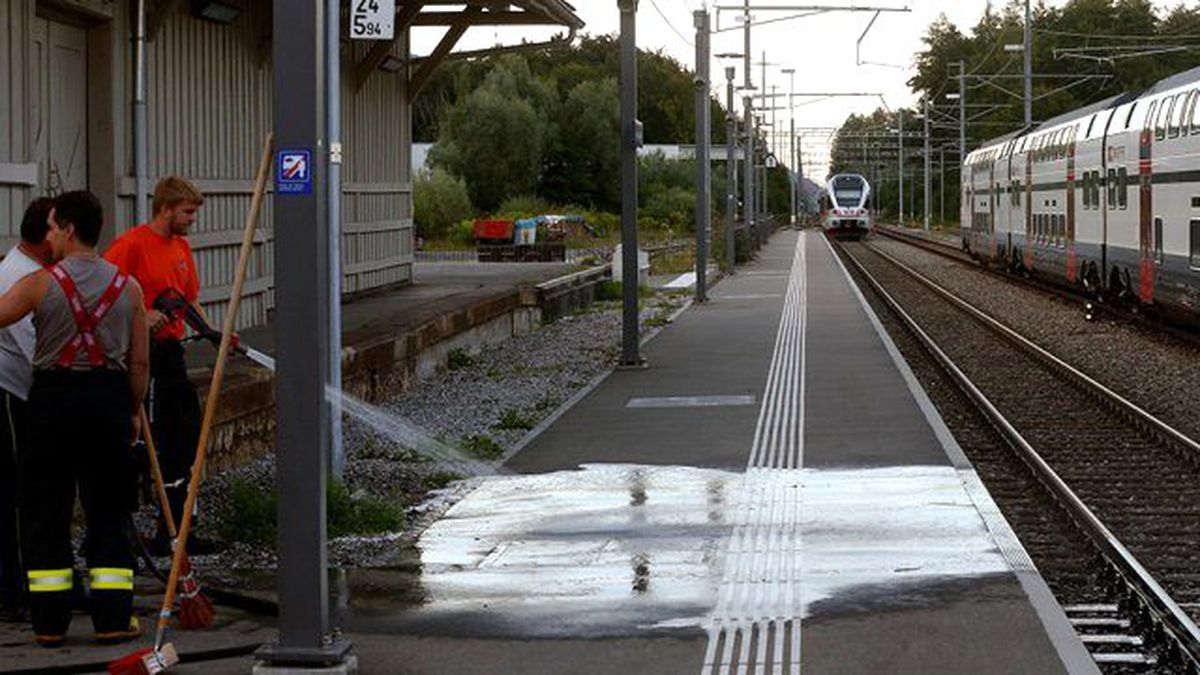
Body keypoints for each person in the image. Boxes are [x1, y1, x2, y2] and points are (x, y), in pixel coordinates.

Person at [0, 190, 148, 646]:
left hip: (52, 401)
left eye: (52, 228)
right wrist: (135, 408)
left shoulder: (41, 284)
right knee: (109, 509)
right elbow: (140, 362)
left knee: (47, 509)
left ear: (65, 227)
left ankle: (49, 623)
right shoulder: (129, 287)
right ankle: (113, 619)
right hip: (107, 401)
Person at [104, 176, 211, 555]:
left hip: (172, 354)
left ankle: (180, 527)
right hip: (140, 354)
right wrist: (142, 315)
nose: (192, 219)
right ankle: (130, 526)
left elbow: (190, 300)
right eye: (187, 212)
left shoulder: (181, 248)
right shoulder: (131, 246)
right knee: (148, 443)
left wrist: (214, 333)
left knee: (186, 434)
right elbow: (103, 293)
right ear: (165, 209)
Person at [0, 198, 54, 623]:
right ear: (46, 235)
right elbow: (36, 351)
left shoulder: (30, 272)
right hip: (10, 393)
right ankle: (12, 589)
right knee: (14, 494)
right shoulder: (19, 278)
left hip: (21, 393)